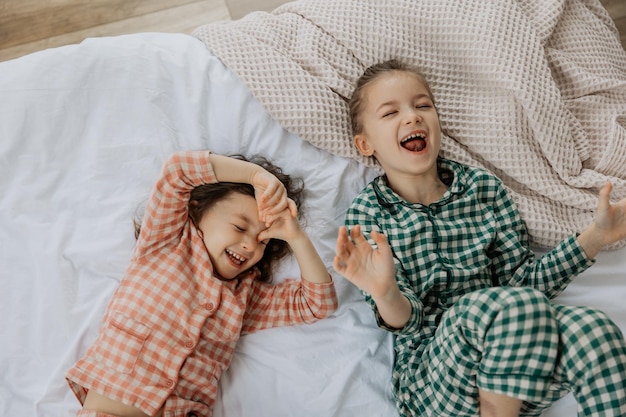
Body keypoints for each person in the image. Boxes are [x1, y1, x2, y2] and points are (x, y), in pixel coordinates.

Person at [332, 59, 626, 417]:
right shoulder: (369, 215)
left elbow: (523, 284)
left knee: (595, 330)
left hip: (518, 365)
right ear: (365, 144)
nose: (412, 117)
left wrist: (595, 237)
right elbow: (407, 321)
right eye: (390, 113)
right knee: (512, 306)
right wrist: (385, 292)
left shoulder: (483, 190)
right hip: (435, 380)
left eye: (423, 105)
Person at [66, 150, 338, 417]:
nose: (249, 244)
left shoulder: (245, 297)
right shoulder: (166, 242)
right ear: (198, 211)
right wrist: (257, 177)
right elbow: (178, 169)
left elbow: (317, 303)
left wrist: (297, 238)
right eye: (240, 228)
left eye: (263, 241)